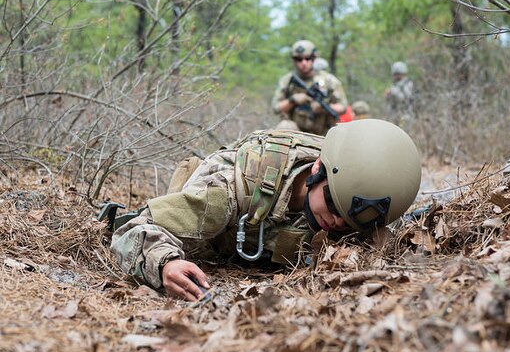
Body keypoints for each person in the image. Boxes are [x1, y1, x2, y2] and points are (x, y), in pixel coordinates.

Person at [110, 119, 422, 302]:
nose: (337, 221)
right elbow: (135, 231)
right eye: (331, 203)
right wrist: (165, 264)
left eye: (349, 220)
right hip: (215, 217)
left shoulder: (359, 191)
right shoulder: (231, 189)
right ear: (317, 168)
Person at [271, 40, 348, 135]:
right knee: (284, 125)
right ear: (294, 60)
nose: (303, 63)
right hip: (296, 134)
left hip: (324, 133)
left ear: (314, 58)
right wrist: (293, 100)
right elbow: (276, 108)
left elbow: (343, 107)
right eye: (299, 59)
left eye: (307, 58)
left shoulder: (329, 80)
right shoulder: (287, 81)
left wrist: (324, 107)